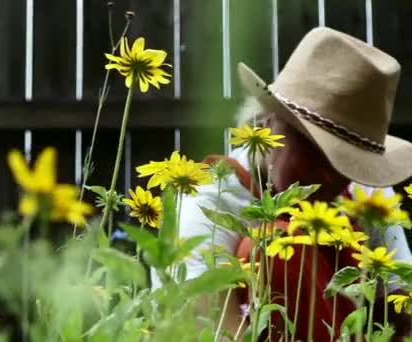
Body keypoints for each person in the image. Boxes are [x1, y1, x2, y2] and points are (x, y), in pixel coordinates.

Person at [151, 27, 412, 340]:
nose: (333, 173)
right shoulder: (209, 201)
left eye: (350, 161)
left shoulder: (365, 194)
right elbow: (203, 327)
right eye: (317, 150)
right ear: (269, 121)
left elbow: (400, 306)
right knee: (273, 245)